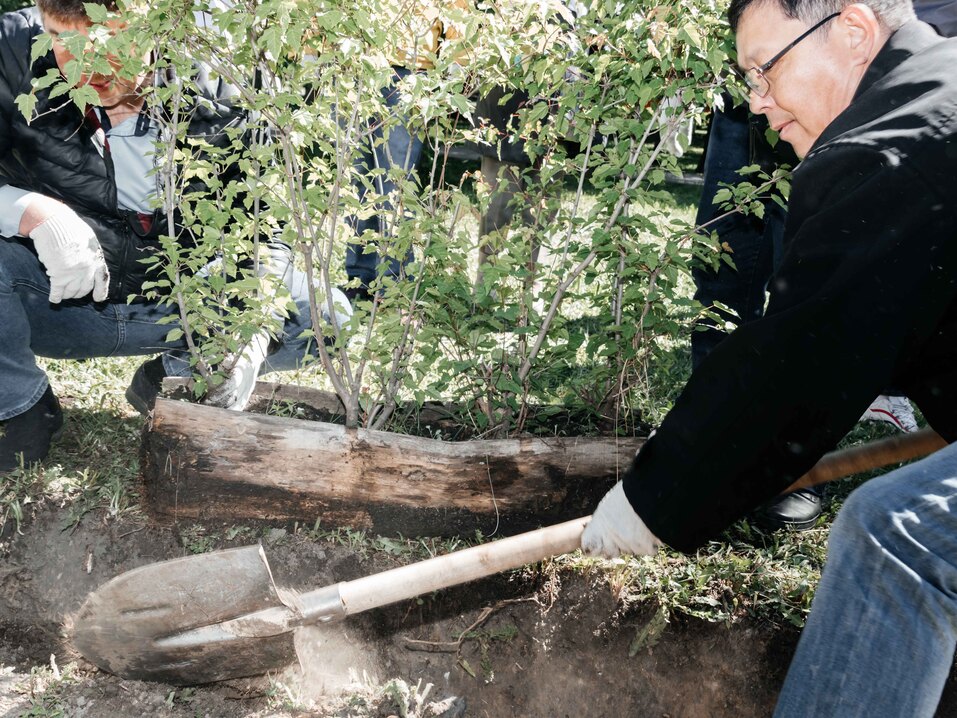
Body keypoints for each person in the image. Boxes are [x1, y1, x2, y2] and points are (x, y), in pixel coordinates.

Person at [583, 0, 957, 714]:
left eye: (765, 69)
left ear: (852, 30)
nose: (756, 102)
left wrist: (653, 503)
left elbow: (799, 364)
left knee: (897, 536)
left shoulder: (895, 149)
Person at [0, 0, 348, 472]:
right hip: (56, 300)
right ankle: (21, 406)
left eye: (112, 38)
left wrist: (251, 332)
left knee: (324, 317)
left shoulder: (228, 62)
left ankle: (171, 378)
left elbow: (266, 225)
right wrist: (31, 212)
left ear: (158, 19)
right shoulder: (11, 48)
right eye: (63, 38)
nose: (87, 64)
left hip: (184, 305)